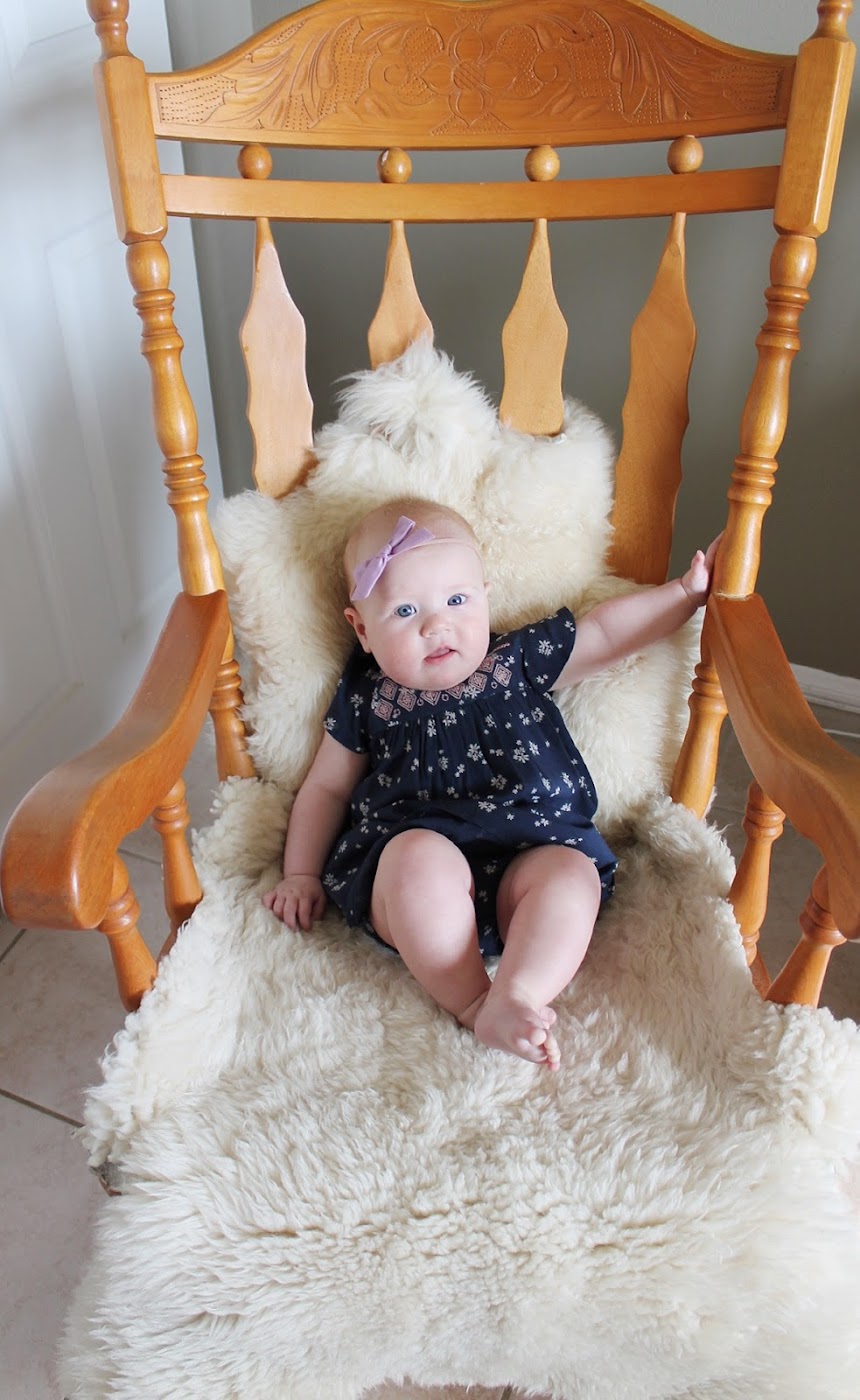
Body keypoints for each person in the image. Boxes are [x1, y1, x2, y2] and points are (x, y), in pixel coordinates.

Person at [263, 497, 719, 1070]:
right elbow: (327, 788)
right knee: (415, 859)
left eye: (456, 601)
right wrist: (300, 874)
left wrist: (684, 594)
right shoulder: (367, 696)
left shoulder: (515, 660)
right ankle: (473, 1001)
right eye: (405, 610)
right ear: (362, 629)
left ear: (485, 596)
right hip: (416, 872)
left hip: (532, 849)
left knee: (571, 875)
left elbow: (604, 634)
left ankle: (520, 992)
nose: (436, 625)